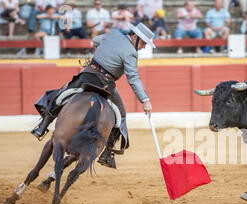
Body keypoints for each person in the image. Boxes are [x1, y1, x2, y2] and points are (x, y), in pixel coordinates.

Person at [31, 22, 156, 169]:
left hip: (88, 75)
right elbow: (133, 78)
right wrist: (145, 100)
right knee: (121, 115)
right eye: (144, 42)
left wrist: (104, 51)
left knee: (61, 95)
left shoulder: (114, 34)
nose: (144, 46)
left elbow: (96, 41)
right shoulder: (131, 53)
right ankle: (107, 154)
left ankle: (42, 126)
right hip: (105, 84)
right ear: (135, 37)